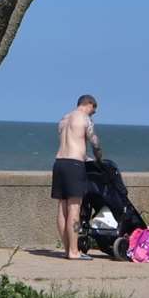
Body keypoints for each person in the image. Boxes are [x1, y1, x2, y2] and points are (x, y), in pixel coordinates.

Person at [51, 95, 103, 260]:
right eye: (93, 110)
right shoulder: (85, 119)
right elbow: (94, 141)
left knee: (62, 208)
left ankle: (68, 249)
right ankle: (74, 252)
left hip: (59, 163)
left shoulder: (64, 119)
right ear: (89, 104)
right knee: (75, 208)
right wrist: (99, 156)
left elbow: (70, 141)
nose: (93, 113)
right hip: (74, 165)